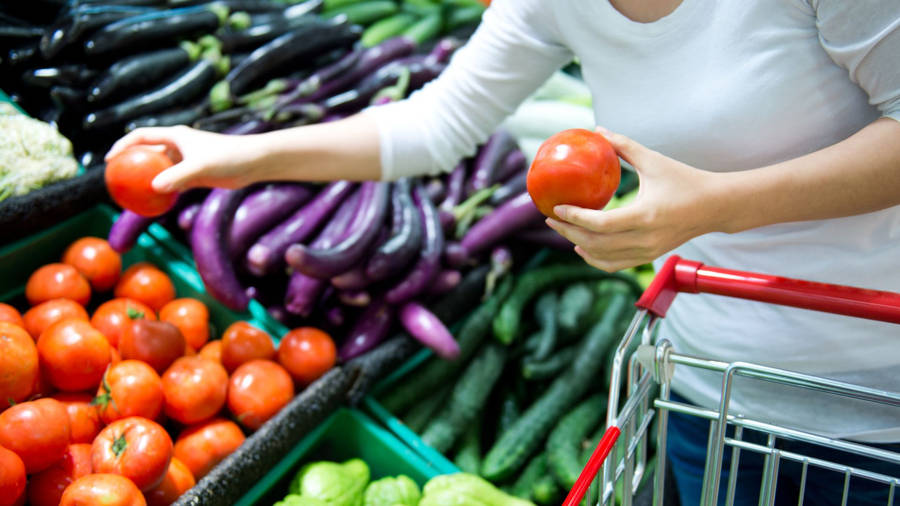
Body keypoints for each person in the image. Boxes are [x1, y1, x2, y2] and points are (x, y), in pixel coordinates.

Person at [107, 0, 900, 503]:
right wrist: (229, 155)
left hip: (870, 395)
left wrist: (714, 206)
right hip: (708, 379)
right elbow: (432, 126)